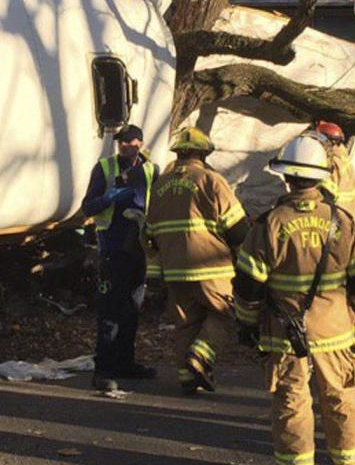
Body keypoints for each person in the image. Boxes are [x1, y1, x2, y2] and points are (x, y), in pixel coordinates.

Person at [234, 134, 355, 465]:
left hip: (285, 332)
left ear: (286, 176)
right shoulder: (342, 221)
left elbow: (249, 287)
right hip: (336, 329)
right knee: (341, 396)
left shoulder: (269, 225)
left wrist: (249, 326)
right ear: (321, 176)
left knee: (292, 402)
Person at [144, 126, 246, 395]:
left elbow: (150, 232)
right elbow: (236, 227)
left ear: (178, 154)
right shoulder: (211, 180)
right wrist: (245, 256)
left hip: (174, 269)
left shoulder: (160, 185)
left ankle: (187, 377)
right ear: (203, 153)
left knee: (186, 323)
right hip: (211, 266)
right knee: (224, 312)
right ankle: (200, 357)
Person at [79, 124, 159, 392]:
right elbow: (87, 207)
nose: (127, 147)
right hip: (112, 247)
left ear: (141, 143)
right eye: (122, 143)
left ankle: (126, 362)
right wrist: (108, 197)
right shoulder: (104, 167)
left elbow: (157, 205)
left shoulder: (151, 169)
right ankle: (104, 369)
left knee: (132, 308)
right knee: (110, 311)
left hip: (138, 246)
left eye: (132, 142)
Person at [315, 122, 355, 231]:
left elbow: (327, 192)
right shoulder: (342, 155)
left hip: (336, 213)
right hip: (348, 209)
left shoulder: (330, 161)